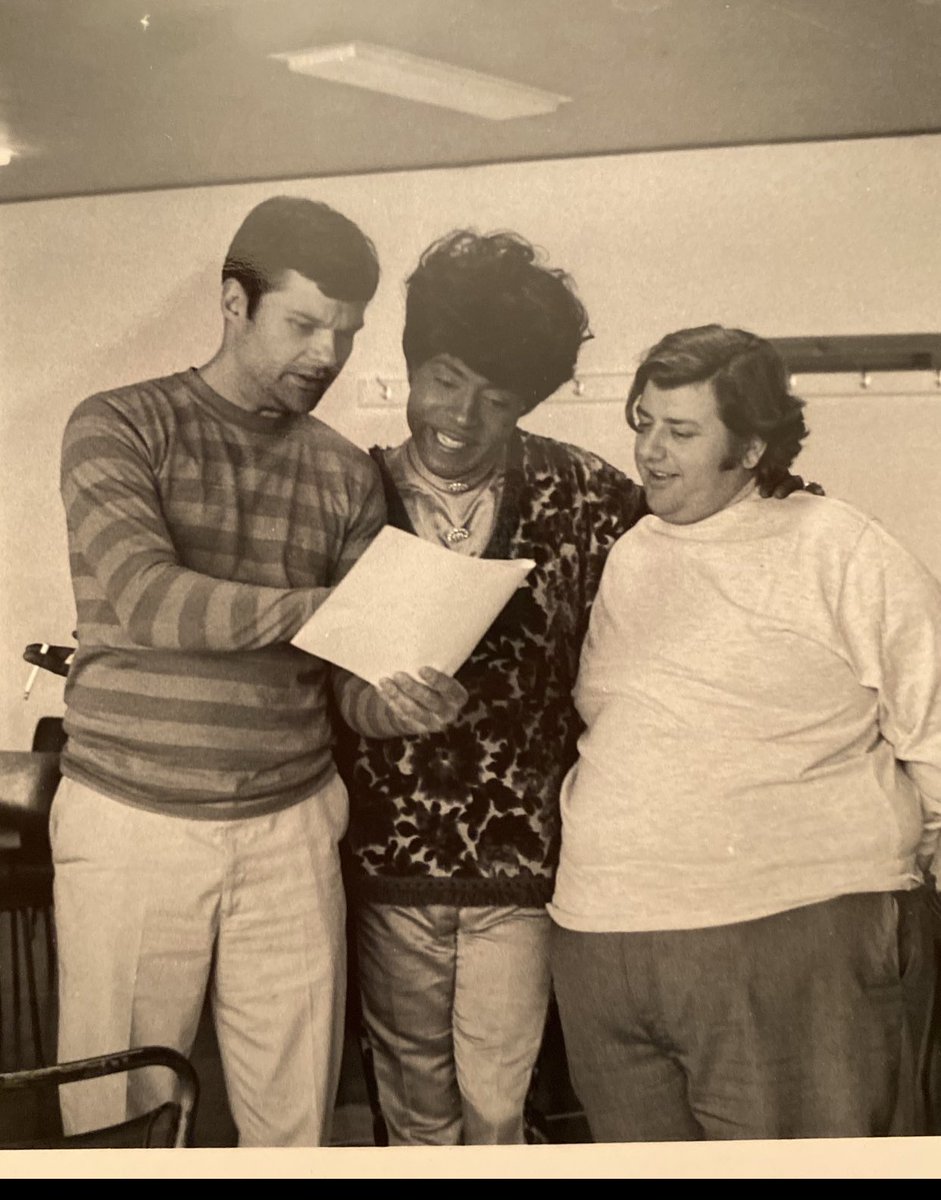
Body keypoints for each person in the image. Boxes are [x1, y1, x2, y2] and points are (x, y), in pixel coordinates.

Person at [330, 235, 806, 1145]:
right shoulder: (347, 490)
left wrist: (792, 506)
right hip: (383, 868)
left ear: (531, 402)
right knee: (411, 1106)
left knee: (501, 1102)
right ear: (407, 366)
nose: (461, 417)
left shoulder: (586, 493)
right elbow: (315, 681)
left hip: (523, 868)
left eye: (497, 399)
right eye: (442, 379)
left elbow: (708, 534)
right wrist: (373, 705)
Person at [52, 194, 464, 1147]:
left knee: (293, 1127)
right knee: (120, 1121)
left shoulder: (345, 473)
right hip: (131, 820)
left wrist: (401, 702)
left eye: (347, 333)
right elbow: (153, 603)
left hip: (289, 825)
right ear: (233, 302)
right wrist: (340, 612)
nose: (325, 354)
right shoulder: (116, 424)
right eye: (303, 323)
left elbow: (352, 679)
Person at [548, 324, 941, 1142]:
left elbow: (933, 727)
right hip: (602, 944)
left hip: (791, 931)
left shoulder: (837, 547)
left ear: (752, 445)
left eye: (681, 432)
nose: (650, 451)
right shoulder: (631, 553)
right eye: (642, 422)